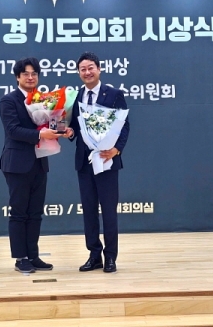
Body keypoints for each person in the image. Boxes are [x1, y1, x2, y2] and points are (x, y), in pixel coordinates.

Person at [0, 57, 72, 274]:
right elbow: (13, 130)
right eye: (26, 74)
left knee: (36, 212)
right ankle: (20, 258)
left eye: (34, 74)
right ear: (17, 77)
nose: (30, 78)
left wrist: (63, 130)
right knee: (19, 212)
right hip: (17, 163)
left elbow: (53, 121)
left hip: (39, 162)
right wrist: (40, 134)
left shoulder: (43, 99)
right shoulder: (8, 101)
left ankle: (33, 255)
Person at [70, 52, 130, 273]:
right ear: (79, 73)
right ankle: (94, 254)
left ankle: (110, 256)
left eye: (90, 68)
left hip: (107, 159)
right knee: (88, 210)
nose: (87, 72)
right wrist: (68, 132)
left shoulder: (114, 94)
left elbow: (124, 125)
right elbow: (74, 126)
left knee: (108, 211)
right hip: (84, 161)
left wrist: (116, 150)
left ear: (99, 69)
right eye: (83, 69)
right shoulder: (76, 96)